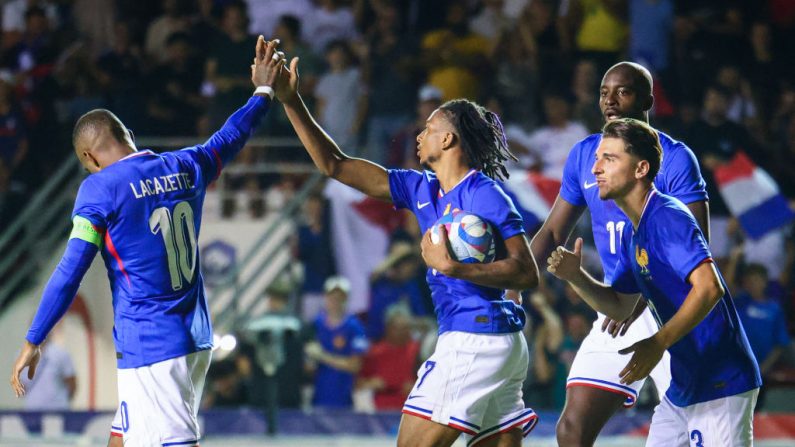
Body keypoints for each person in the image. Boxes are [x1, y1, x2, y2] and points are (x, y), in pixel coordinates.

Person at [10, 36, 285, 447]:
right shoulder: (185, 165)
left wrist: (35, 338)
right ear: (130, 135)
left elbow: (71, 270)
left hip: (152, 346)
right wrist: (263, 93)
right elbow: (230, 137)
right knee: (122, 438)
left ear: (88, 159)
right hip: (194, 338)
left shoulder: (99, 189)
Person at [273, 55, 539, 447]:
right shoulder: (421, 188)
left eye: (429, 128)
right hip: (491, 341)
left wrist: (453, 267)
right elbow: (335, 165)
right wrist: (291, 100)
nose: (419, 134)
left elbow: (526, 272)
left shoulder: (484, 193)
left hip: (475, 339)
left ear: (448, 140)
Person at [547, 117, 761, 446]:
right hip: (685, 383)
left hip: (720, 382)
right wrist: (576, 277)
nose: (596, 169)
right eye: (597, 159)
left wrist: (657, 343)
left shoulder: (667, 217)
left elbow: (710, 287)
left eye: (610, 158)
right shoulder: (638, 234)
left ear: (640, 168)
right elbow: (619, 307)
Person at [529, 61, 710, 446]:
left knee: (694, 434)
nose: (610, 101)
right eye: (603, 92)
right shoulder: (585, 155)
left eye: (622, 91)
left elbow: (698, 246)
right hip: (616, 307)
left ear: (647, 100)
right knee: (572, 430)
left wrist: (642, 297)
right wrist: (516, 282)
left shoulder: (675, 159)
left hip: (670, 310)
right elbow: (553, 230)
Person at [304, 275, 369, 408]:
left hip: (344, 397)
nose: (335, 301)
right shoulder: (316, 324)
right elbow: (308, 367)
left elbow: (354, 365)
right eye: (332, 297)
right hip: (319, 397)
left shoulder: (355, 327)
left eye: (340, 297)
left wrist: (322, 356)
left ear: (346, 299)